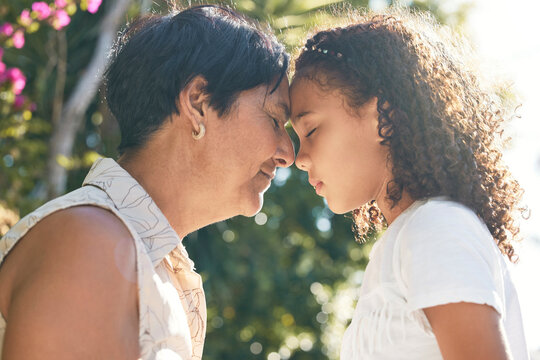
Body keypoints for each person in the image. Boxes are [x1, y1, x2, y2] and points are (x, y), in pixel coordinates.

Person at [0, 5, 294, 359]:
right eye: (275, 119)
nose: (287, 153)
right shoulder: (90, 240)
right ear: (198, 102)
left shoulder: (139, 256)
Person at [290, 8, 529, 360]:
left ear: (382, 115)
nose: (299, 158)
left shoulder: (437, 228)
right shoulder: (407, 239)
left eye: (310, 130)